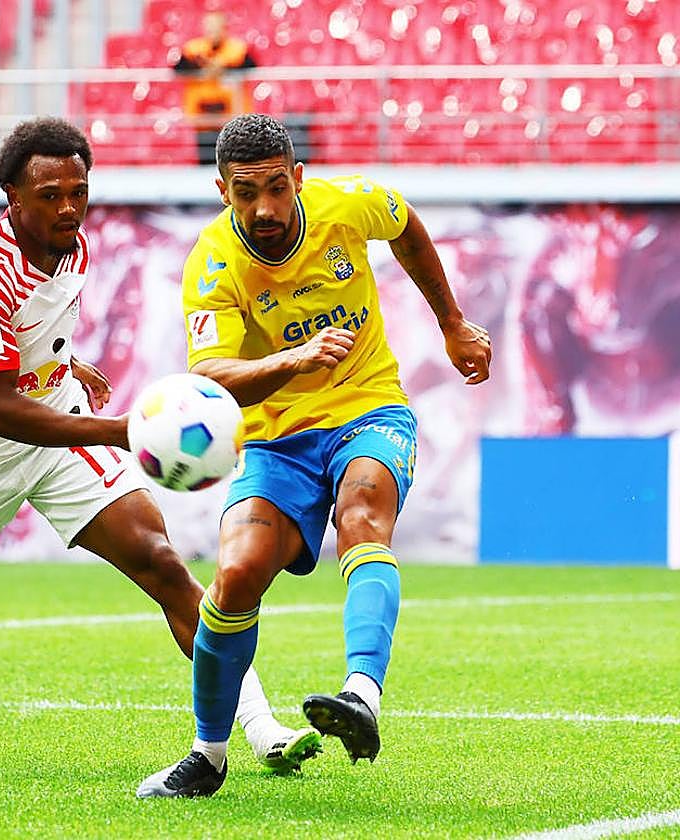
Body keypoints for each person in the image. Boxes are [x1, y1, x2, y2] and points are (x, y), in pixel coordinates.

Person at [0, 116, 322, 774]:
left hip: (56, 426)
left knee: (160, 561)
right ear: (12, 199)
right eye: (49, 195)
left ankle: (258, 730)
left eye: (77, 191)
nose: (68, 207)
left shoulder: (70, 246)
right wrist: (126, 431)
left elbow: (35, 330)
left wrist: (64, 363)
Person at [137, 113, 492, 798]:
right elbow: (210, 374)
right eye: (246, 192)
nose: (264, 207)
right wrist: (293, 358)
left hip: (369, 408)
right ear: (223, 192)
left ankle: (361, 694)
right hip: (276, 441)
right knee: (235, 577)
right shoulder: (213, 262)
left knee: (362, 513)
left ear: (298, 178)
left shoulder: (348, 204)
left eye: (276, 187)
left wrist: (450, 322)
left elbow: (408, 226)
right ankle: (207, 756)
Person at [173, 12, 256, 166]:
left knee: (231, 160)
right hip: (203, 115)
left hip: (230, 114)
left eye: (216, 28)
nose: (212, 32)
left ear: (224, 29)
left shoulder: (237, 48)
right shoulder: (193, 48)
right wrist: (203, 68)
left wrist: (223, 67)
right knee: (206, 159)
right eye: (209, 28)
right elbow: (178, 68)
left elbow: (251, 66)